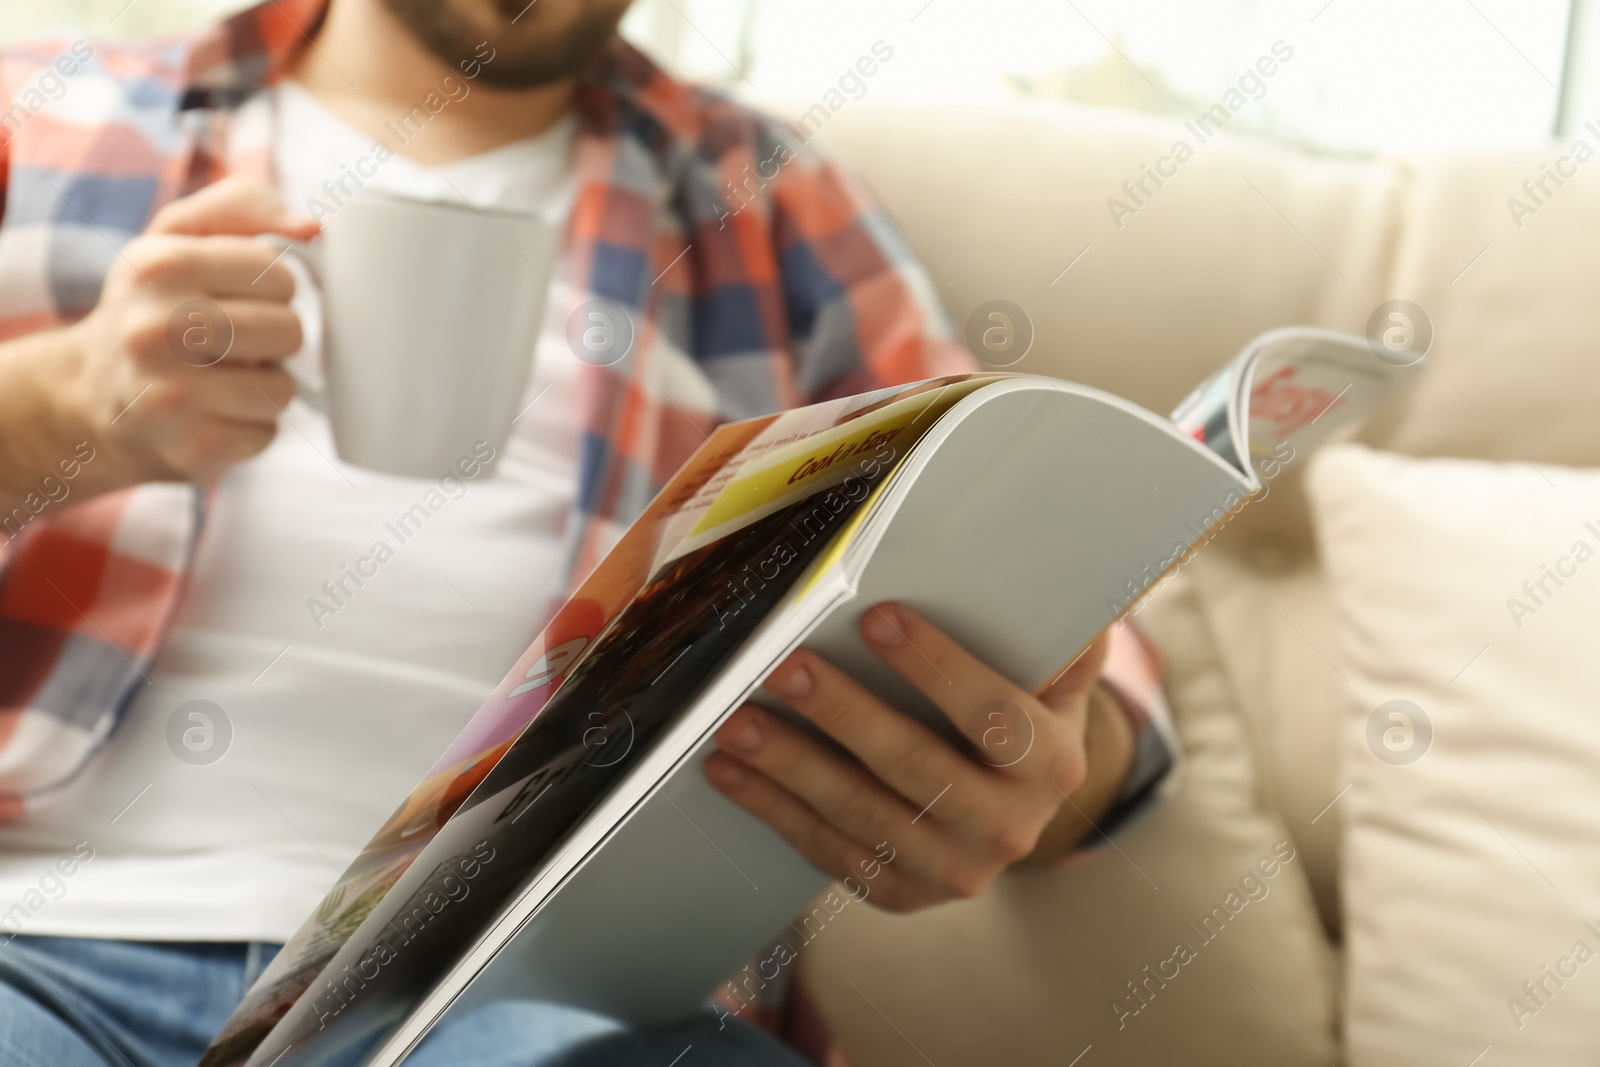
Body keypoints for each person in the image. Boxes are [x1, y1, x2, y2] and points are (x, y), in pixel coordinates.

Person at [0, 0, 1176, 1063]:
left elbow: (1040, 564)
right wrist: (57, 406)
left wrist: (1047, 754)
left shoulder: (765, 195)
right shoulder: (45, 105)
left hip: (529, 994)